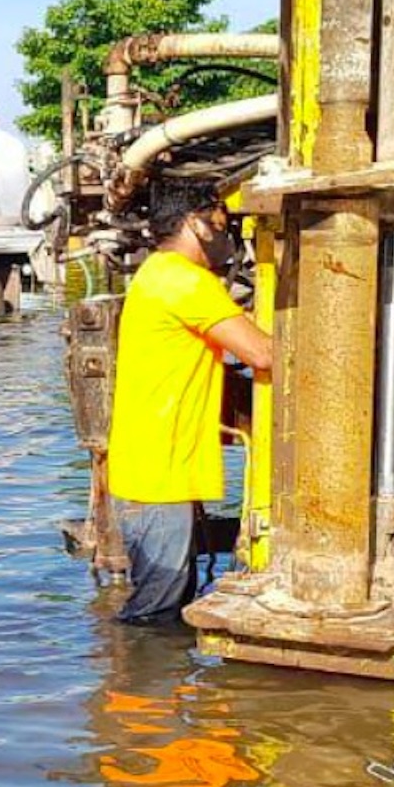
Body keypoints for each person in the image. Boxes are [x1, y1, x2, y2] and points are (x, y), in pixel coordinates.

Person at [106, 185, 273, 624]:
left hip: (148, 469)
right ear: (195, 223)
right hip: (158, 476)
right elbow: (263, 353)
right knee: (154, 616)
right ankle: (131, 669)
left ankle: (141, 668)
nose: (226, 234)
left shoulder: (157, 273)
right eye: (221, 223)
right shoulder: (187, 280)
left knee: (163, 605)